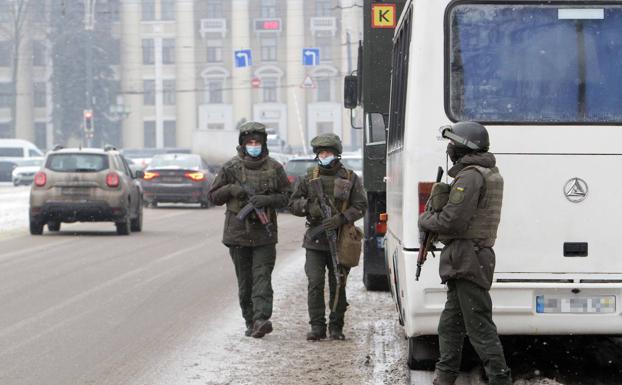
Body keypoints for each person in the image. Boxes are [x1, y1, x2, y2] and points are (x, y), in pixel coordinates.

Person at [419, 121, 512, 385]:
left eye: (453, 143)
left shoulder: (471, 176)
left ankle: (499, 379)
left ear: (464, 146)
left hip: (469, 257)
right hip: (466, 257)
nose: (449, 148)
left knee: (480, 327)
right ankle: (445, 377)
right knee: (450, 325)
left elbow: (452, 222)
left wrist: (425, 220)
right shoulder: (482, 172)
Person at [208, 121, 289, 338]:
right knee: (245, 282)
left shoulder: (275, 168)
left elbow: (288, 197)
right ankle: (250, 320)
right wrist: (231, 189)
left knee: (262, 278)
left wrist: (268, 199)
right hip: (238, 234)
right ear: (243, 145)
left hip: (264, 233)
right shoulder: (230, 168)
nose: (254, 145)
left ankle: (262, 319)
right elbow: (213, 197)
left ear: (264, 144)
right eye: (250, 142)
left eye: (257, 142)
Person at [288, 133, 367, 341]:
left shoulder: (350, 178)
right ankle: (317, 327)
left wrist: (342, 218)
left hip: (341, 241)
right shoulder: (308, 178)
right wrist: (309, 207)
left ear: (337, 154)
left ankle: (336, 326)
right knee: (315, 283)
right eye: (322, 152)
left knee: (338, 283)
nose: (325, 155)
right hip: (315, 241)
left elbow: (361, 206)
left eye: (329, 152)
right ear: (317, 154)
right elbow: (292, 204)